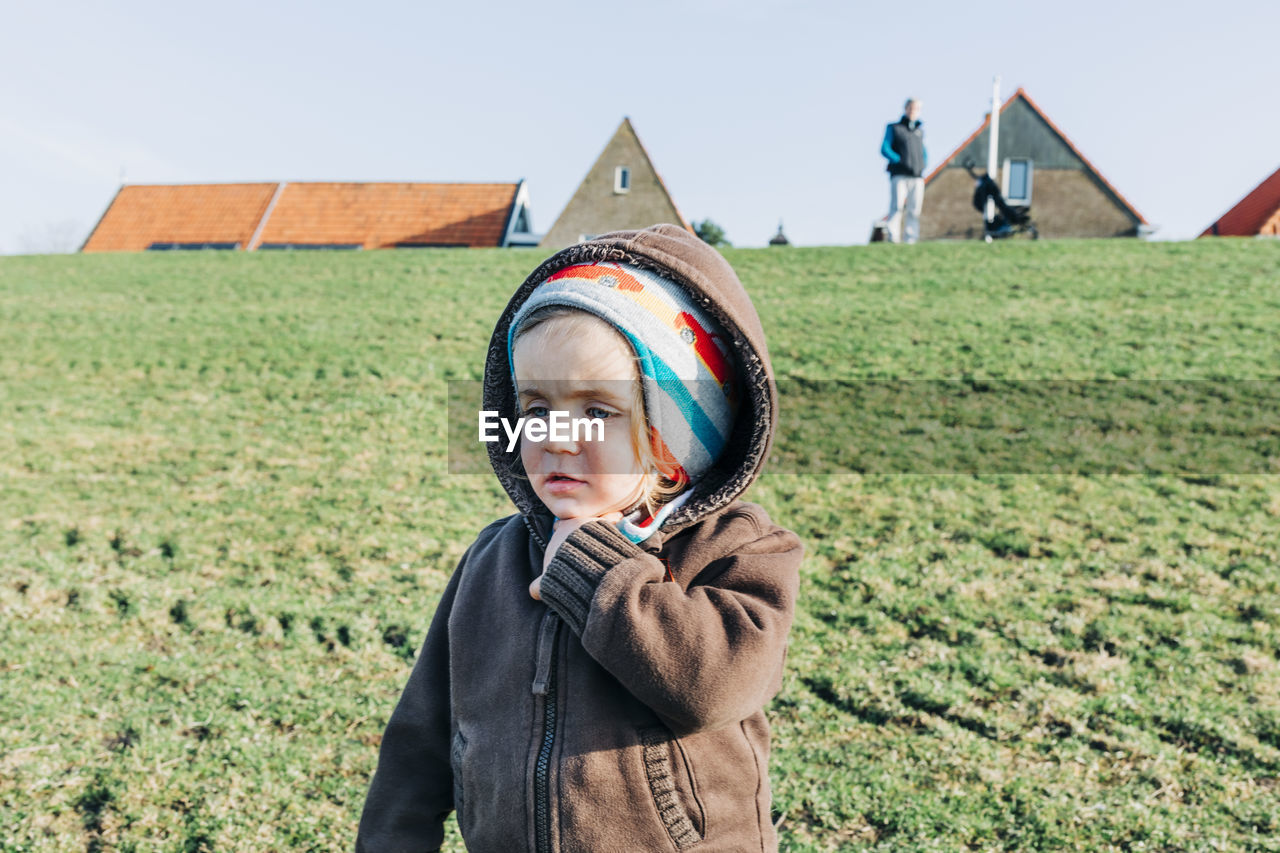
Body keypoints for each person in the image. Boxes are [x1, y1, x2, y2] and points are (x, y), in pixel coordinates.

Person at [356, 223, 804, 852]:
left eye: (597, 411)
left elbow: (715, 686)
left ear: (674, 446)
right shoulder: (492, 561)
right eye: (535, 409)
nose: (556, 437)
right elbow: (421, 738)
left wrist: (595, 571)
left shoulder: (736, 549)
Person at [881, 97, 928, 244]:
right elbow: (885, 148)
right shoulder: (894, 128)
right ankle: (893, 237)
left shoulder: (919, 132)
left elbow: (923, 152)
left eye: (916, 109)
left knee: (914, 209)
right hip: (899, 174)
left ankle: (911, 238)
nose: (913, 112)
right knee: (897, 206)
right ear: (906, 109)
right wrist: (899, 160)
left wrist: (923, 164)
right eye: (911, 108)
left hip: (916, 175)